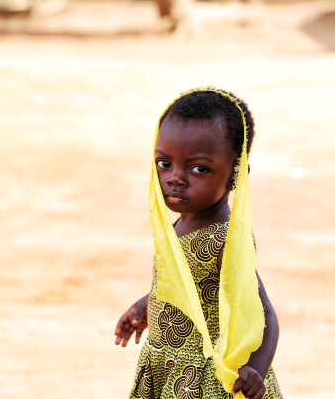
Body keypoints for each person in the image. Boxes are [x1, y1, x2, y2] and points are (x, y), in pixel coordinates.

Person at [115, 88, 283, 399]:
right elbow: (186, 284)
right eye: (164, 163)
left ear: (235, 175)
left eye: (199, 169)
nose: (175, 178)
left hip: (206, 381)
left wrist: (256, 370)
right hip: (168, 368)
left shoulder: (223, 241)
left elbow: (264, 313)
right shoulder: (184, 221)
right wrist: (147, 304)